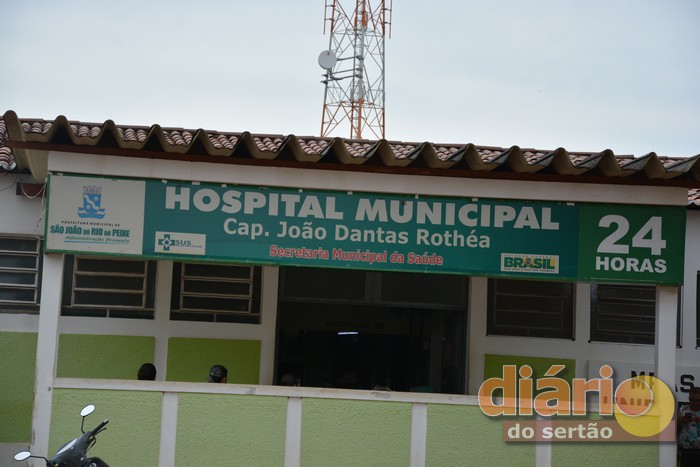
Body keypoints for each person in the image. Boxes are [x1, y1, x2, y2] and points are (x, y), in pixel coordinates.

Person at [678, 386, 700, 466]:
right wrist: (681, 420)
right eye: (692, 400)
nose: (694, 403)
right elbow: (672, 425)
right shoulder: (682, 409)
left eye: (698, 400)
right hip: (686, 450)